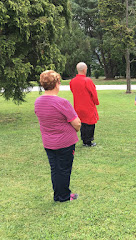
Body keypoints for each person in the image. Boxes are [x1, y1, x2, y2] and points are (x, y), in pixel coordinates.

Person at [35, 70, 81, 202]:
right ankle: (64, 196)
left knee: (55, 169)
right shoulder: (62, 102)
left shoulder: (38, 102)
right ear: (57, 84)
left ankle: (58, 195)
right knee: (64, 170)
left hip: (49, 142)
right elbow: (76, 123)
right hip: (64, 143)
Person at [70, 62, 99, 147]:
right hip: (88, 105)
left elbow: (73, 91)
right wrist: (96, 102)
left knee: (82, 122)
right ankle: (88, 141)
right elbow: (93, 93)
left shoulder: (72, 81)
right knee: (90, 123)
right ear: (85, 69)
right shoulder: (87, 81)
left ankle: (84, 140)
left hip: (78, 105)